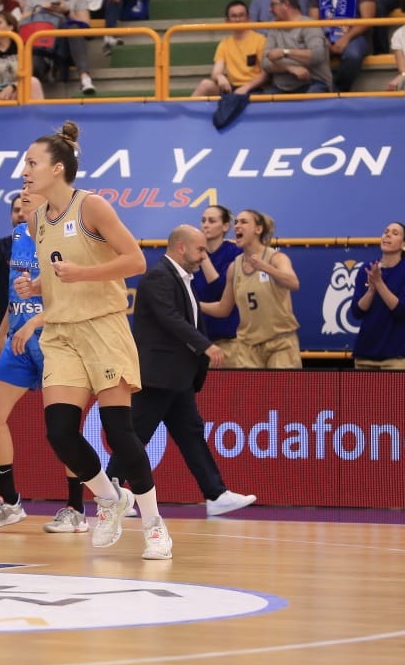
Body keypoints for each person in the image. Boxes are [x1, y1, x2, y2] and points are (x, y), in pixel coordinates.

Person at [14, 122, 171, 559]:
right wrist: (38, 288)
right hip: (61, 333)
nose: (24, 170)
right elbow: (58, 273)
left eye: (32, 162)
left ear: (57, 168)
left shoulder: (92, 207)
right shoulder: (35, 219)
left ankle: (155, 525)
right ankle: (108, 497)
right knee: (59, 431)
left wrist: (82, 274)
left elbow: (135, 260)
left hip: (103, 326)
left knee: (119, 432)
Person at [107, 224, 257, 517]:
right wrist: (205, 346)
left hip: (177, 377)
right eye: (200, 249)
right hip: (158, 375)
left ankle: (215, 494)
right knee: (136, 435)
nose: (204, 255)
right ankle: (111, 492)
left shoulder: (182, 278)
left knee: (191, 434)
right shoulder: (158, 277)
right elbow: (170, 318)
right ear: (181, 248)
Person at [0, 183, 75, 531]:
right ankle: (9, 502)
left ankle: (76, 508)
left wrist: (33, 324)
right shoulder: (16, 235)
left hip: (55, 340)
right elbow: (13, 290)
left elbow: (70, 298)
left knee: (63, 429)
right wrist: (5, 330)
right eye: (23, 189)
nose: (25, 193)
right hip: (18, 340)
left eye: (32, 188)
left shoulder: (62, 236)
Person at [199, 209, 301, 369]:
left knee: (281, 393)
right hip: (247, 346)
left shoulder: (276, 258)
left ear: (258, 229)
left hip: (280, 342)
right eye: (236, 222)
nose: (237, 226)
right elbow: (223, 308)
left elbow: (293, 283)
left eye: (244, 222)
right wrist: (194, 304)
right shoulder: (235, 267)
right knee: (249, 394)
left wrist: (265, 267)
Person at [350, 221, 405, 370]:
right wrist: (371, 290)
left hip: (396, 357)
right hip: (365, 354)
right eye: (386, 231)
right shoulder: (367, 268)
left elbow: (402, 311)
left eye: (395, 233)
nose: (387, 235)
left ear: (404, 245)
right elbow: (357, 312)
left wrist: (379, 283)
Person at [311, 0, 375, 92]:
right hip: (325, 36)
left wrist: (346, 38)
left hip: (355, 36)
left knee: (352, 55)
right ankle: (318, 88)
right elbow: (313, 22)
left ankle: (339, 90)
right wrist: (323, 39)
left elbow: (367, 20)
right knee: (312, 51)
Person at [191, 205, 244, 367]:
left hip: (227, 340)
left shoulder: (234, 253)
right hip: (197, 341)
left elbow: (220, 292)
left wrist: (203, 256)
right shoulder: (190, 254)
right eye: (203, 220)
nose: (205, 225)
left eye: (212, 221)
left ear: (225, 226)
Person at [192, 0, 267, 96]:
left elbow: (265, 74)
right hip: (232, 88)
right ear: (227, 20)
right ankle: (184, 111)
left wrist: (246, 88)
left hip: (255, 88)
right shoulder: (224, 43)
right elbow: (216, 71)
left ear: (248, 18)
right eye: (234, 16)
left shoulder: (260, 40)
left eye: (241, 15)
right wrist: (219, 77)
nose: (238, 19)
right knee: (205, 84)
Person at [0, 11, 43, 100]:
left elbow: (28, 74)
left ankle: (34, 113)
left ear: (10, 27)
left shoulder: (22, 46)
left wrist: (13, 86)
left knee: (33, 81)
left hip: (19, 88)